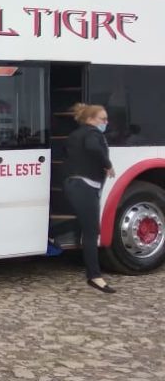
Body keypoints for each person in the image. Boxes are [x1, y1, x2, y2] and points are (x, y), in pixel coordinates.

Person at [62, 103, 117, 293]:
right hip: (85, 186)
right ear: (90, 120)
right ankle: (94, 276)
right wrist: (108, 165)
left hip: (73, 183)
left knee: (83, 224)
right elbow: (93, 148)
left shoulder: (74, 134)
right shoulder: (93, 133)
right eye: (103, 119)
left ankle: (53, 236)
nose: (106, 122)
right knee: (92, 230)